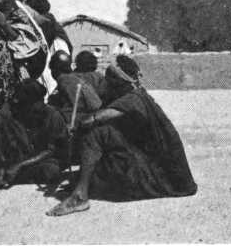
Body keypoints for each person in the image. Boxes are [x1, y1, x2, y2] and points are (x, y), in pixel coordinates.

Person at [47, 55, 197, 216]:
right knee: (100, 155)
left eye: (109, 80)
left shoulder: (133, 99)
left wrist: (76, 125)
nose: (106, 83)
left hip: (164, 175)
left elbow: (95, 118)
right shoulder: (136, 94)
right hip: (152, 162)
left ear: (118, 82)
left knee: (96, 134)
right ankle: (85, 184)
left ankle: (80, 197)